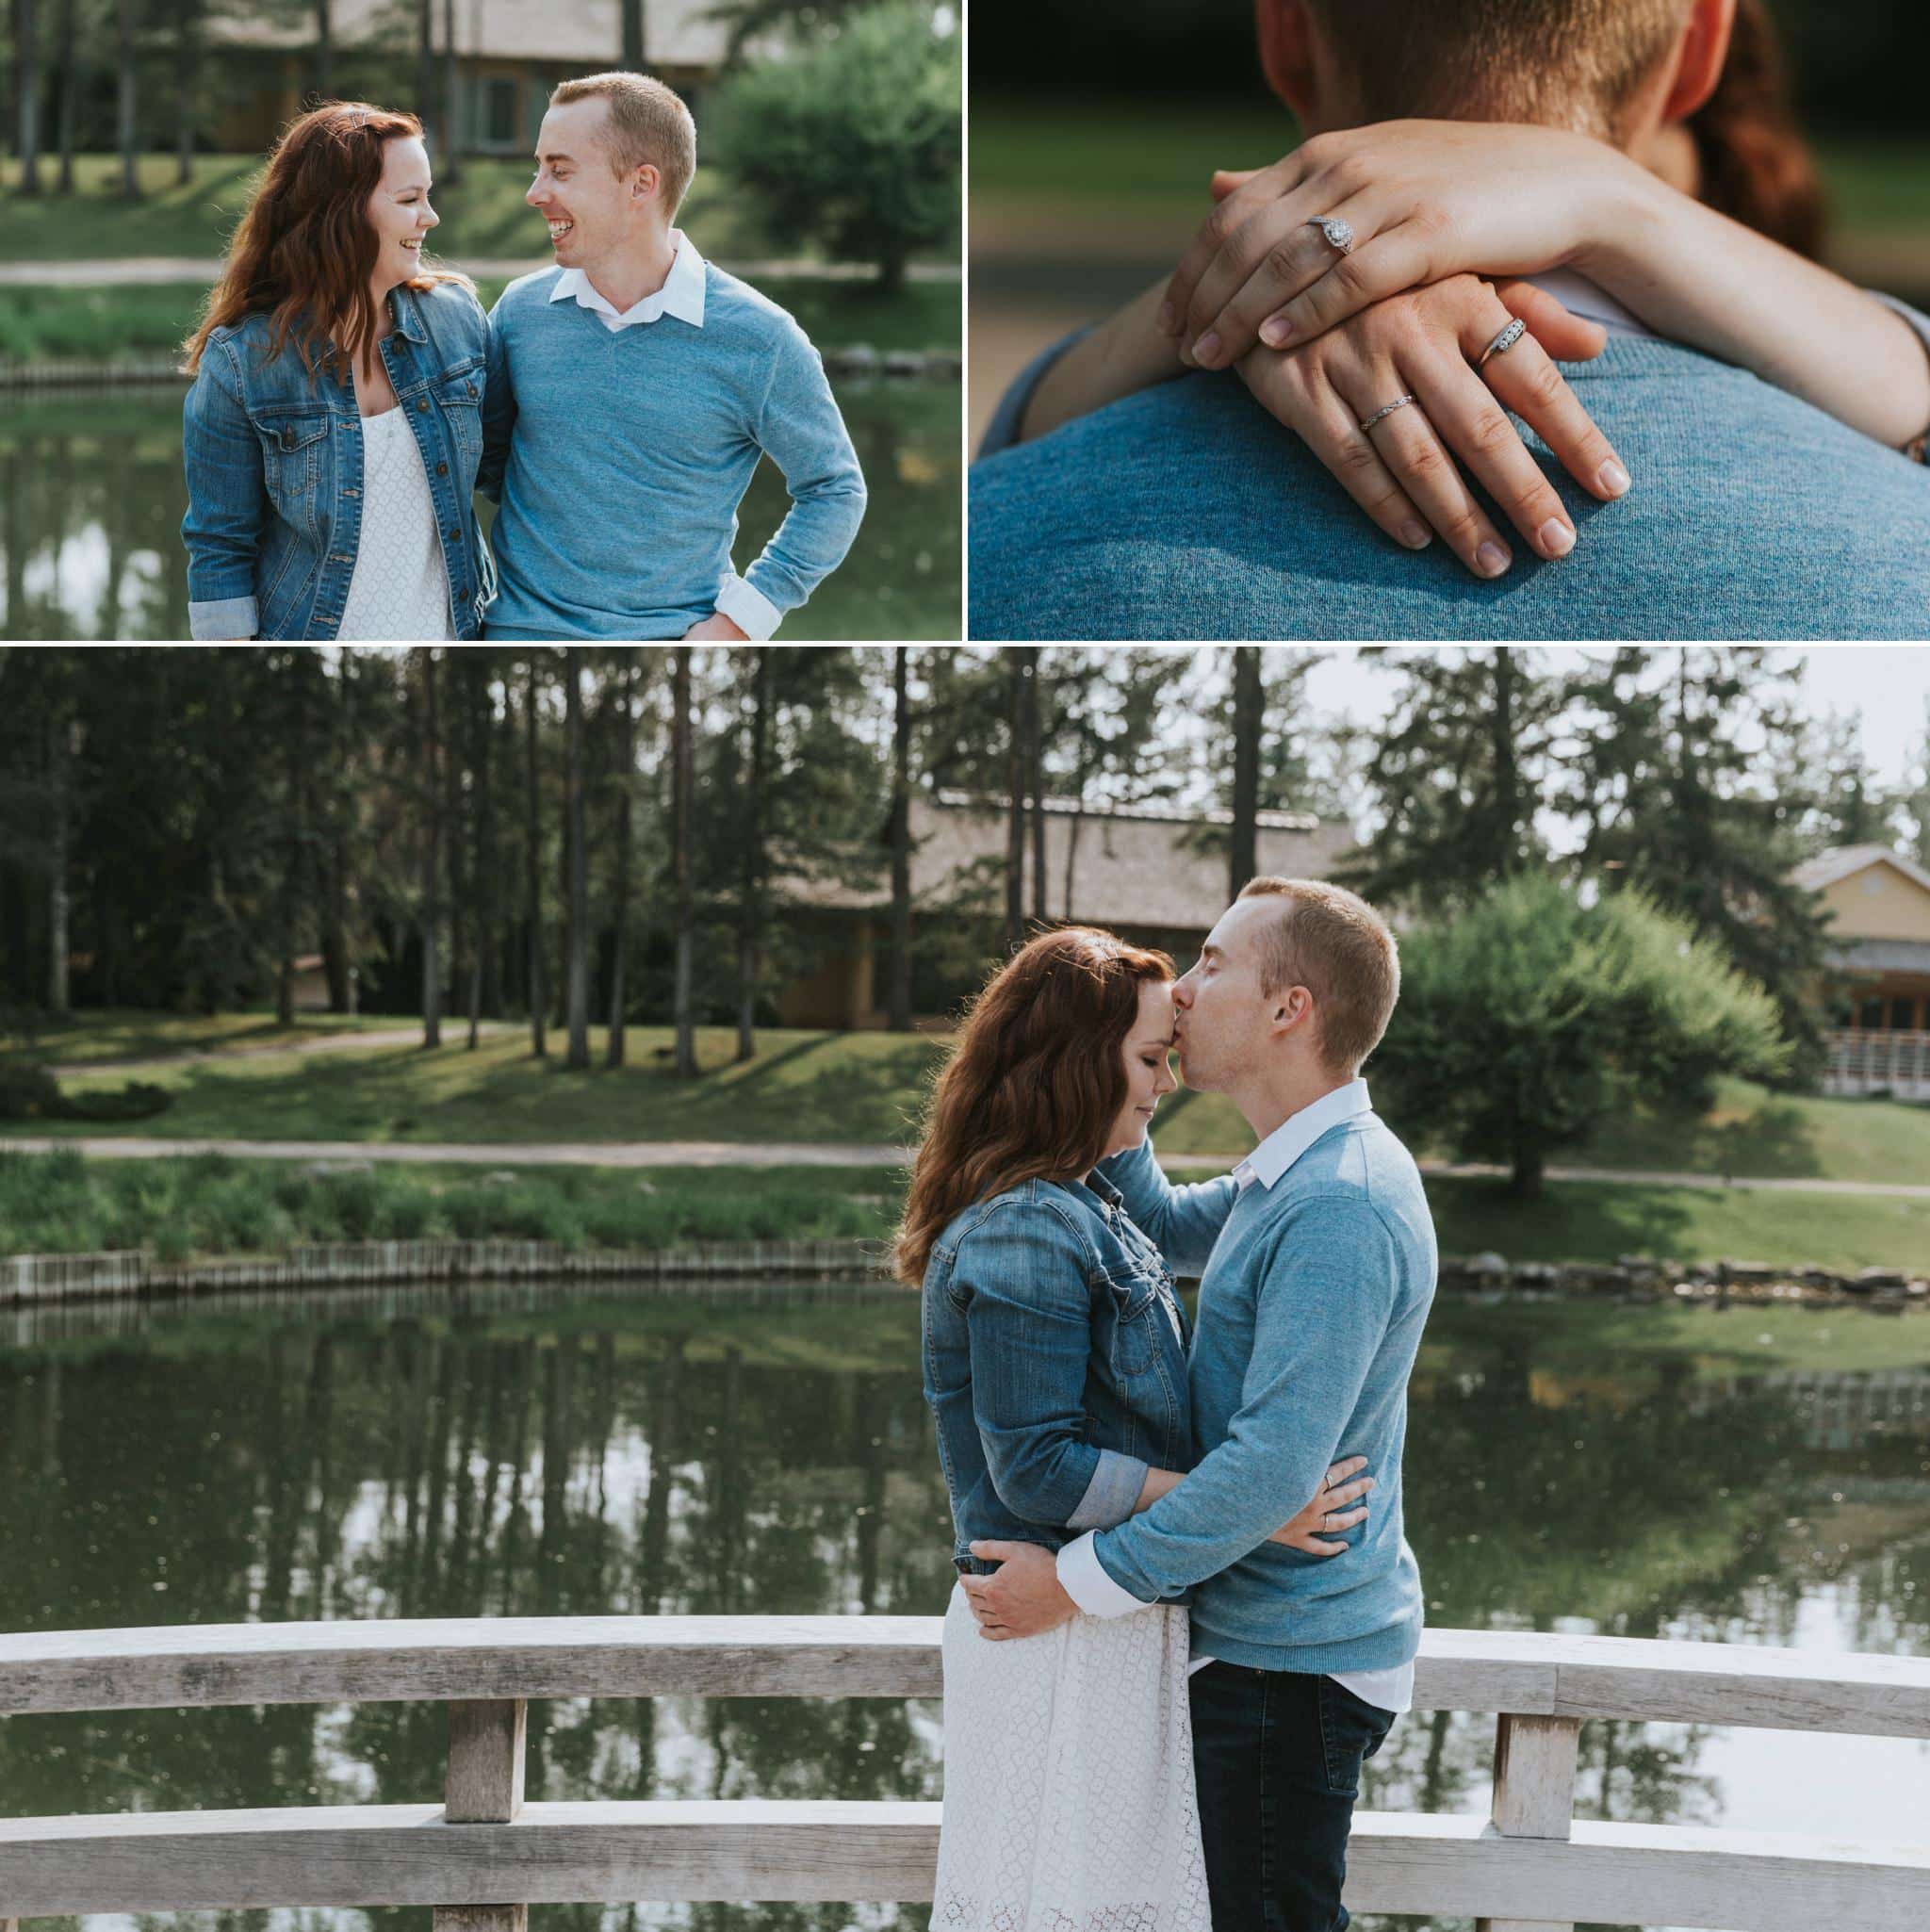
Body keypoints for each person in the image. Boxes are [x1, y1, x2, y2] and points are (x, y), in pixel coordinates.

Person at [969, 0, 1930, 638]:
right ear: (1700, 49)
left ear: (1283, 35)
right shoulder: (1902, 555)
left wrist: (1248, 299)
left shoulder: (991, 550)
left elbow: (999, 472)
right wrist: (1616, 205)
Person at [960, 880, 1433, 1932]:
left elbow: (1269, 1473)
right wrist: (1108, 1062)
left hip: (1287, 1664)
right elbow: (1164, 1224)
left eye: (1212, 963)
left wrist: (1068, 1586)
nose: (1180, 988)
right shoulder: (1293, 1175)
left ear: (1287, 1010)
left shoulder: (1338, 1205)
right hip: (1264, 1648)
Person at [478, 73, 867, 642]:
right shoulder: (520, 313)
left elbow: (835, 489)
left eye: (560, 171)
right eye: (538, 168)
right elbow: (485, 462)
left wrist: (739, 622)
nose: (535, 192)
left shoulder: (760, 338)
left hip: (676, 642)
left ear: (640, 185)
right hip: (515, 634)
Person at [181, 103, 493, 643]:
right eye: (409, 199)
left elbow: (521, 477)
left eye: (429, 195)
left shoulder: (458, 322)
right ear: (343, 212)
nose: (431, 216)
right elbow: (220, 549)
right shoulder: (242, 363)